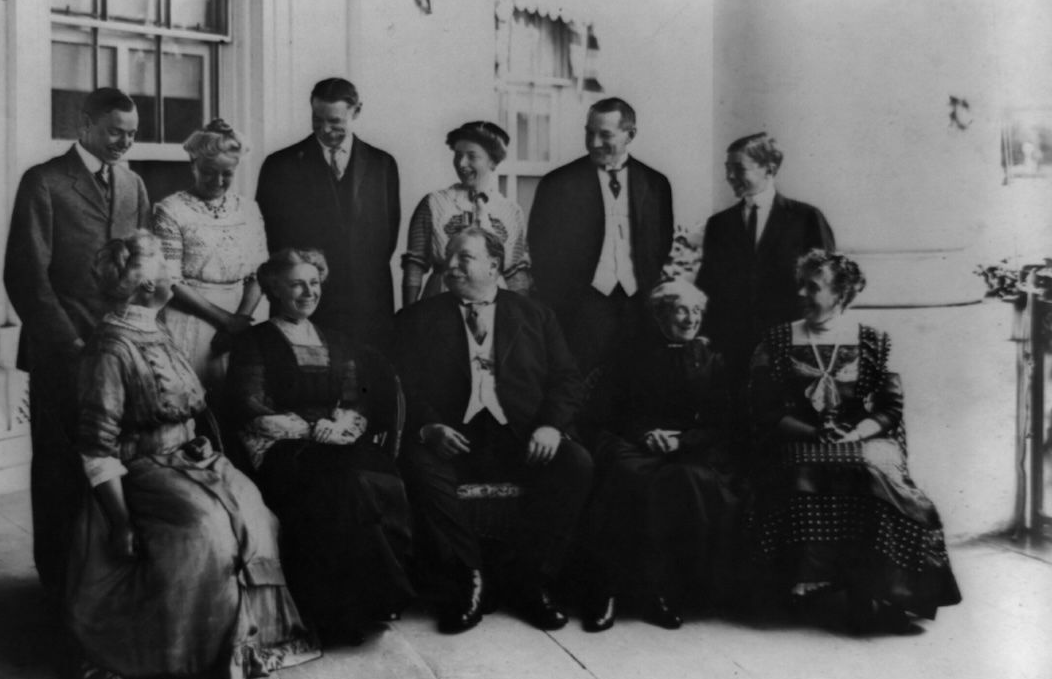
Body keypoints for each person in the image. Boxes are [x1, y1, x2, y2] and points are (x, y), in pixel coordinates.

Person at [67, 233, 319, 679]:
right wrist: (120, 522)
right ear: (145, 287)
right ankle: (192, 657)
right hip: (140, 469)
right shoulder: (110, 347)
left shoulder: (153, 326)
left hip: (188, 457)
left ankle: (254, 642)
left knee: (253, 510)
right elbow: (96, 447)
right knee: (206, 529)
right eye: (164, 264)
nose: (172, 273)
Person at [747, 250, 961, 634]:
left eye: (813, 287)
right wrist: (813, 431)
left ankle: (881, 591)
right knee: (803, 470)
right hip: (798, 435)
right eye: (801, 284)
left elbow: (890, 408)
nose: (801, 293)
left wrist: (856, 431)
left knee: (874, 472)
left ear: (840, 293)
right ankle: (812, 589)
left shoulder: (874, 341)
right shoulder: (777, 340)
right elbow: (764, 409)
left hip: (860, 435)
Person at [394, 227, 593, 635]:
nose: (449, 266)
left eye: (463, 258)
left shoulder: (535, 314)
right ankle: (470, 579)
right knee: (417, 464)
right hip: (453, 435)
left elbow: (567, 379)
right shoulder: (416, 319)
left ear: (494, 265)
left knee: (576, 463)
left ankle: (531, 579)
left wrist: (552, 427)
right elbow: (400, 384)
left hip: (519, 435)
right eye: (448, 258)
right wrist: (428, 426)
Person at [226, 248, 415, 646]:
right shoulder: (255, 341)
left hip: (334, 437)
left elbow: (353, 398)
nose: (308, 292)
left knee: (378, 476)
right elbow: (250, 404)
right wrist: (312, 429)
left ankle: (380, 597)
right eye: (296, 284)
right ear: (275, 288)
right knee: (341, 487)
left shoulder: (337, 341)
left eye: (313, 283)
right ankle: (337, 612)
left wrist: (342, 422)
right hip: (285, 445)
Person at [4, 87, 151, 595]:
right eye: (115, 131)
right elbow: (26, 277)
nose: (124, 142)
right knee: (58, 467)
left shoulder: (134, 185)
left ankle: (100, 587)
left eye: (131, 134)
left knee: (113, 463)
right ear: (84, 124)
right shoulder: (44, 182)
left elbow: (142, 268)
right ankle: (55, 583)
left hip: (117, 351)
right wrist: (71, 345)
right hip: (60, 352)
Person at [580, 280, 741, 632]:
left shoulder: (711, 359)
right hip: (631, 442)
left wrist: (681, 441)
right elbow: (606, 413)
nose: (690, 319)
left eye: (697, 311)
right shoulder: (630, 356)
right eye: (682, 310)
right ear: (659, 313)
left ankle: (658, 593)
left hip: (687, 449)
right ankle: (605, 590)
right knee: (626, 477)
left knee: (685, 481)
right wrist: (645, 435)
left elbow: (721, 423)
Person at [528, 97, 674, 376]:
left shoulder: (656, 184)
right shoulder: (558, 184)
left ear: (630, 134)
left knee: (636, 387)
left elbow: (661, 245)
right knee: (579, 390)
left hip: (638, 307)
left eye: (605, 134)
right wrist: (565, 302)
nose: (594, 142)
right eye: (589, 132)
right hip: (580, 310)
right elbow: (541, 250)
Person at [256, 77, 401, 345]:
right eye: (317, 119)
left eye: (335, 122)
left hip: (367, 305)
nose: (324, 129)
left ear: (356, 112)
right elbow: (269, 239)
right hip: (303, 302)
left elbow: (387, 238)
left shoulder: (383, 165)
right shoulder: (280, 165)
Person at [695, 132, 836, 378]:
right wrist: (705, 338)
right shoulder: (719, 224)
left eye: (739, 168)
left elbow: (827, 284)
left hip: (792, 347)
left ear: (769, 169)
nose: (729, 176)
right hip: (733, 350)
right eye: (727, 168)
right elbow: (707, 286)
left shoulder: (807, 219)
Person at [152, 118, 267, 393]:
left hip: (242, 318)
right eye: (208, 172)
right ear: (193, 165)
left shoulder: (248, 210)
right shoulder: (171, 210)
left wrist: (240, 320)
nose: (217, 181)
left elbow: (260, 273)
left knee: (239, 402)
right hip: (190, 317)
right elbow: (171, 279)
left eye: (226, 174)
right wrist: (226, 321)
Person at [401, 121, 531, 305]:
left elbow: (516, 274)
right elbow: (415, 264)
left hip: (495, 302)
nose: (462, 164)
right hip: (442, 299)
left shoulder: (511, 211)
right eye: (458, 155)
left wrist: (521, 316)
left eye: (472, 156)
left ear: (492, 161)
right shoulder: (434, 203)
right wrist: (409, 314)